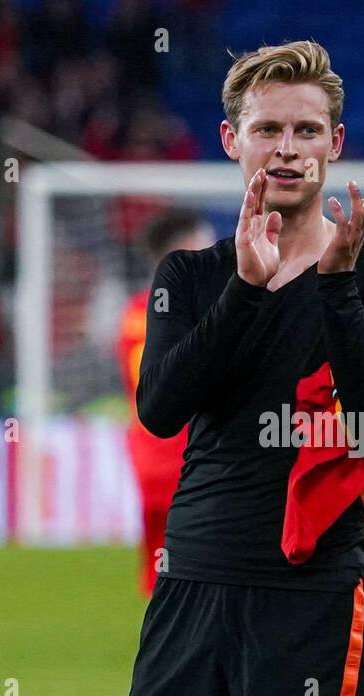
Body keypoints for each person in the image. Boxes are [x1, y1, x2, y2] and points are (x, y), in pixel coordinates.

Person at [111, 40, 364, 696]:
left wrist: (338, 287)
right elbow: (161, 410)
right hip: (196, 583)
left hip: (315, 594)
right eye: (268, 128)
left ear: (335, 144)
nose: (287, 147)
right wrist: (247, 292)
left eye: (307, 130)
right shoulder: (191, 275)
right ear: (231, 140)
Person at [115, 210, 216, 594]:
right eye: (202, 244)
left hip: (147, 451)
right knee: (208, 572)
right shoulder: (192, 309)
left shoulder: (134, 312)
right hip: (192, 453)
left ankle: (164, 648)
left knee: (161, 574)